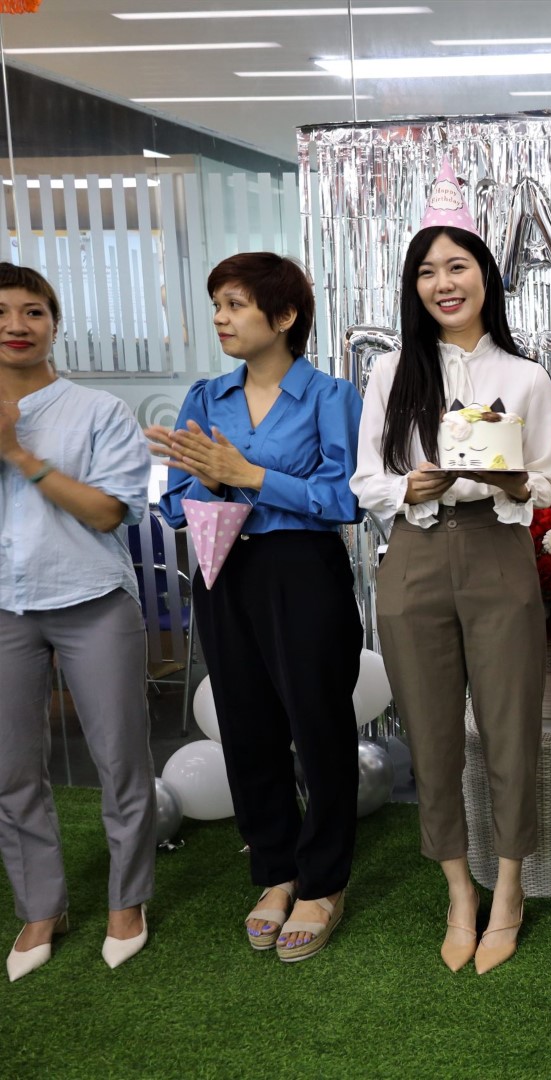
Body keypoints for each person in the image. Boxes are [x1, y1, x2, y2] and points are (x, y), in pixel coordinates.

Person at [351, 161, 551, 975]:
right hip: (416, 555)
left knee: (511, 729)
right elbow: (366, 478)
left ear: (485, 277)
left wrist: (514, 481)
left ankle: (509, 888)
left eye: (458, 266)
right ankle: (458, 892)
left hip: (499, 553)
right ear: (415, 287)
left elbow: (547, 479)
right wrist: (411, 486)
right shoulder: (392, 371)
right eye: (428, 271)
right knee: (433, 738)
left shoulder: (526, 377)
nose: (444, 283)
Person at [151, 252, 363, 963]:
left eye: (235, 304)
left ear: (285, 315)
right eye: (217, 304)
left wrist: (252, 475)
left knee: (319, 724)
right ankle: (276, 871)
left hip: (302, 570)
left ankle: (323, 883)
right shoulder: (205, 397)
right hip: (222, 567)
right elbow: (172, 503)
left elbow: (347, 498)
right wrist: (208, 486)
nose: (221, 318)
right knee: (246, 727)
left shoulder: (330, 396)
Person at [0, 262, 155, 979]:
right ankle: (42, 907)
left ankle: (128, 900)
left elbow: (108, 512)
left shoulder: (98, 411)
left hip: (93, 601)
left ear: (54, 324)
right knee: (11, 770)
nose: (16, 326)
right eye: (2, 313)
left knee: (120, 760)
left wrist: (16, 453)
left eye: (32, 312)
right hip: (6, 609)